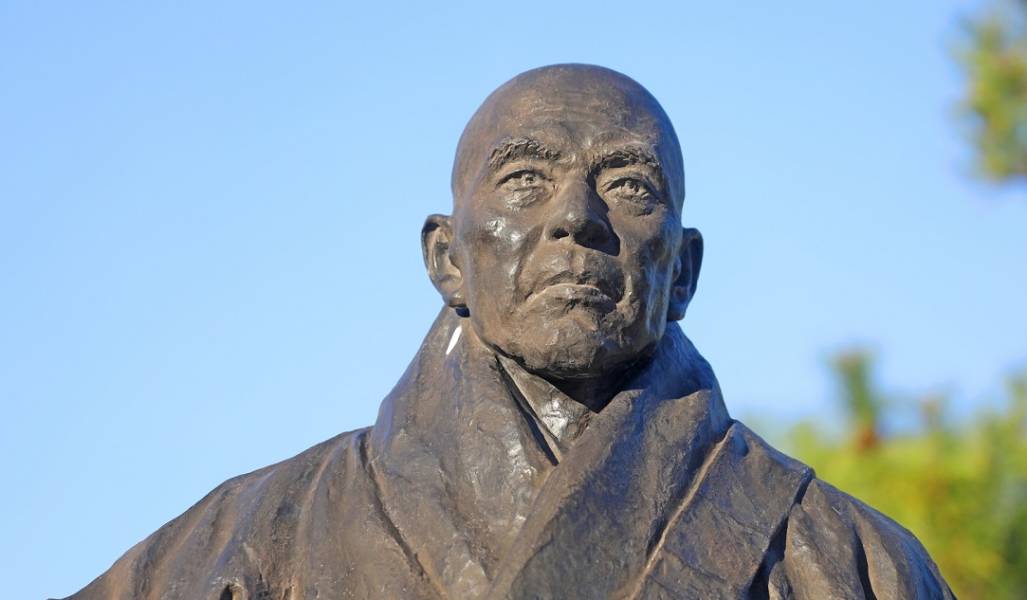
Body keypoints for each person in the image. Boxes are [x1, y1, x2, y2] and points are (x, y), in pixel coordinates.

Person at [65, 64, 954, 600]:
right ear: (448, 257)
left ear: (681, 270)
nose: (576, 217)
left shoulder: (849, 562)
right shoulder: (249, 542)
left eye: (629, 186)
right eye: (525, 179)